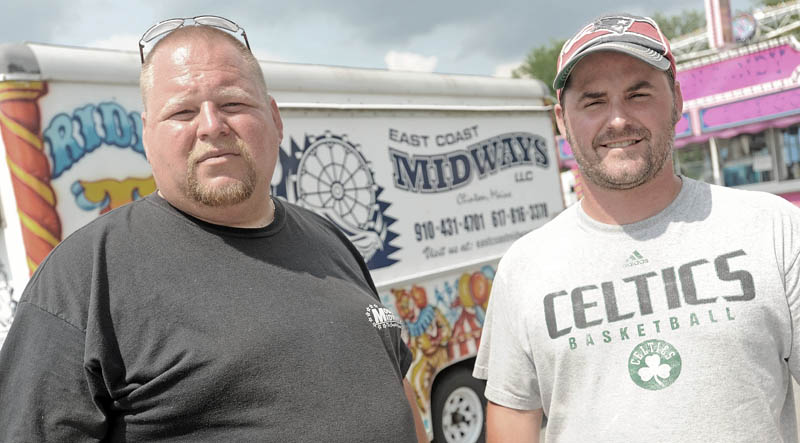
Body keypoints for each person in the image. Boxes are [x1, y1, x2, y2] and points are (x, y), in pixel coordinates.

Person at [0, 17, 426, 442]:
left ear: (276, 120)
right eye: (182, 112)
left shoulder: (329, 239)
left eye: (234, 104)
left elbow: (395, 385)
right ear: (146, 137)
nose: (211, 125)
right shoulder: (83, 278)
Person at [474, 13, 800, 442]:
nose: (617, 120)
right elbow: (513, 424)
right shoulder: (524, 267)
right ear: (561, 119)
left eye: (638, 93)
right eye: (593, 101)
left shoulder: (772, 228)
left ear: (677, 101)